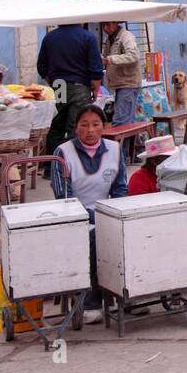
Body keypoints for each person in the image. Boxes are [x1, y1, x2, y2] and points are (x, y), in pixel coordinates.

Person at [52, 105, 128, 322]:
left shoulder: (114, 150)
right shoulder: (62, 153)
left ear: (104, 127)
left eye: (96, 124)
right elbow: (64, 197)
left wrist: (114, 214)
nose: (90, 130)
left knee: (132, 233)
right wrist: (95, 218)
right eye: (84, 125)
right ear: (76, 128)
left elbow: (120, 189)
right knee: (96, 239)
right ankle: (91, 303)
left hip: (109, 213)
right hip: (75, 218)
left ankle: (130, 298)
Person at [36, 23, 103, 155]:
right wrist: (95, 90)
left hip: (59, 86)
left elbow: (42, 67)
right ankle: (74, 165)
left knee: (56, 126)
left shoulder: (50, 37)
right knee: (77, 127)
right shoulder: (88, 37)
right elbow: (96, 69)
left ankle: (51, 167)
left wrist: (54, 83)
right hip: (79, 87)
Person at [100, 20, 142, 162]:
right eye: (103, 25)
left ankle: (120, 157)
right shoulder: (108, 39)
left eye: (108, 25)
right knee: (128, 120)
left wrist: (110, 60)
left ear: (116, 23)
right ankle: (136, 153)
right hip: (119, 83)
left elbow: (133, 56)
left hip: (128, 82)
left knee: (120, 121)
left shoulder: (126, 37)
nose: (106, 28)